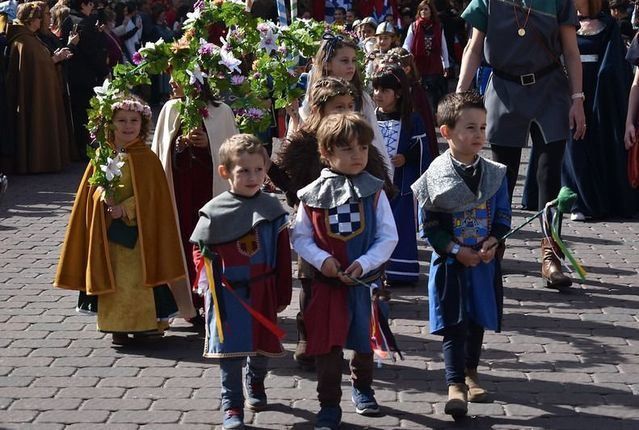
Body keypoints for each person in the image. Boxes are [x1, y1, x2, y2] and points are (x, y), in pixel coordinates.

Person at [456, 0, 586, 290]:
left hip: (549, 88)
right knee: (503, 176)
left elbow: (570, 51)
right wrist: (460, 94)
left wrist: (578, 99)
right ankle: (494, 248)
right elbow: (474, 48)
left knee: (548, 174)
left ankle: (550, 253)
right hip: (504, 89)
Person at [270, 77, 391, 372]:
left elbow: (379, 193)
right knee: (313, 289)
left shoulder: (362, 152)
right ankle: (309, 337)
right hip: (319, 228)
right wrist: (302, 198)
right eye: (338, 107)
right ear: (319, 110)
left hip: (357, 242)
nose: (345, 112)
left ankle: (359, 358)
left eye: (350, 106)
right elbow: (286, 178)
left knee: (358, 307)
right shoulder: (305, 145)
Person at [55, 95, 195, 345]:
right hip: (109, 233)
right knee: (115, 278)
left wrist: (127, 208)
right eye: (121, 120)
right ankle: (116, 325)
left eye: (134, 120)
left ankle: (146, 323)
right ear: (109, 123)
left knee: (140, 278)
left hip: (141, 235)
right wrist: (102, 196)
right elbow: (90, 190)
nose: (128, 126)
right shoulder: (101, 155)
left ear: (143, 125)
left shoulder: (147, 158)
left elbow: (153, 199)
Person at [291, 112, 398, 430]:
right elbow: (300, 236)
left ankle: (363, 389)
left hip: (363, 287)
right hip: (327, 286)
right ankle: (328, 405)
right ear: (326, 154)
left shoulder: (375, 191)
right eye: (348, 149)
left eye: (363, 148)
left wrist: (365, 263)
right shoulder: (311, 197)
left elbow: (388, 236)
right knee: (327, 348)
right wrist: (321, 259)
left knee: (364, 344)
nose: (358, 156)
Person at [411, 91, 511, 417]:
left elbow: (502, 218)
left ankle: (471, 373)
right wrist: (456, 250)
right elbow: (430, 225)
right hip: (451, 265)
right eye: (469, 128)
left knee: (477, 320)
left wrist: (494, 241)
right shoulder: (435, 176)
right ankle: (454, 384)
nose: (478, 135)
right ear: (447, 132)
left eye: (482, 127)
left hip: (482, 264)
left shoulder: (495, 174)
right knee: (454, 323)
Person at [190, 134, 292, 430]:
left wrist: (282, 291)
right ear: (226, 173)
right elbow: (200, 249)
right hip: (228, 296)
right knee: (231, 353)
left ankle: (256, 382)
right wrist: (207, 275)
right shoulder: (213, 212)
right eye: (243, 171)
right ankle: (232, 406)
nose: (252, 177)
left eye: (259, 170)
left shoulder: (272, 210)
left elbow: (283, 256)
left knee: (261, 348)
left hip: (262, 290)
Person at [152, 76, 238, 325]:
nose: (169, 82)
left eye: (177, 78)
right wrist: (177, 146)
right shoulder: (170, 109)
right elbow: (162, 150)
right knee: (182, 238)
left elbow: (230, 150)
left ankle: (210, 298)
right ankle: (185, 301)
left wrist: (208, 143)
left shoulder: (221, 112)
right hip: (179, 188)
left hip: (208, 189)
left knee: (208, 241)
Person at [560, 0, 637, 220]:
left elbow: (614, 61)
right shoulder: (564, 22)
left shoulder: (608, 24)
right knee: (573, 142)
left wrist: (604, 83)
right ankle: (578, 202)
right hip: (570, 87)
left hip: (598, 91)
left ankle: (600, 199)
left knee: (595, 144)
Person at [372, 65, 431, 284]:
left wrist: (406, 158)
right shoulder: (370, 117)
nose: (378, 94)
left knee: (399, 226)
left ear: (397, 93)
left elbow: (423, 149)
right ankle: (376, 270)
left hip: (401, 185)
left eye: (384, 90)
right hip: (376, 185)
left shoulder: (412, 120)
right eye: (376, 89)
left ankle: (400, 272)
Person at [300, 33, 391, 173]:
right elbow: (305, 129)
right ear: (327, 64)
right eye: (344, 60)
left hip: (356, 170)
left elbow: (375, 140)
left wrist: (385, 175)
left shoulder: (361, 98)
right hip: (319, 167)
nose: (351, 66)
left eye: (353, 60)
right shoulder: (314, 97)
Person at [3, 1, 73, 174]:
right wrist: (55, 60)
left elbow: (41, 64)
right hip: (34, 96)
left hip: (42, 92)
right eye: (39, 18)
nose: (41, 21)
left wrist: (54, 59)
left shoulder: (32, 38)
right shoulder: (23, 41)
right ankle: (37, 162)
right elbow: (36, 68)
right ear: (30, 20)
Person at [61, 0, 109, 158]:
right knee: (86, 114)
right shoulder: (85, 23)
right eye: (91, 3)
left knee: (77, 113)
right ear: (83, 4)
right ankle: (84, 149)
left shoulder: (68, 19)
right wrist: (104, 70)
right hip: (86, 76)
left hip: (73, 75)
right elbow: (93, 53)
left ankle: (78, 147)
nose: (93, 6)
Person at [403, 0, 451, 112]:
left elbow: (443, 47)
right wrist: (405, 54)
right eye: (421, 9)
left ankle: (435, 116)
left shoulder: (438, 26)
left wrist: (446, 65)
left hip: (435, 64)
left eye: (426, 9)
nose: (423, 11)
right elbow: (407, 44)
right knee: (420, 93)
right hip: (418, 65)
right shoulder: (414, 26)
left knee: (435, 94)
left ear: (431, 11)